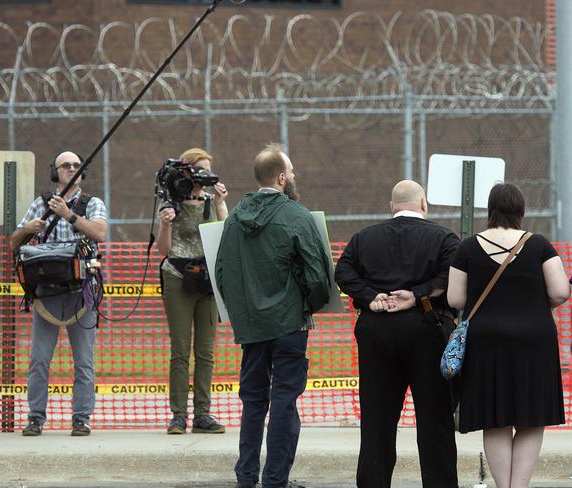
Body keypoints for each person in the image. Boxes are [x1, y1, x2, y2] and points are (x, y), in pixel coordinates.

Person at [216, 143, 331, 488]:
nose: (294, 177)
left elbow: (222, 272)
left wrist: (243, 313)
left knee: (253, 402)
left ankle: (246, 477)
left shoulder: (235, 217)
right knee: (284, 400)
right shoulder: (296, 215)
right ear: (281, 178)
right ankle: (276, 480)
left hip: (252, 329)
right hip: (289, 324)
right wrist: (310, 303)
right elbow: (317, 274)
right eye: (291, 172)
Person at [334, 180, 459, 488]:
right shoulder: (444, 239)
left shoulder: (363, 238)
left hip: (376, 329)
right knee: (435, 421)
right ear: (424, 205)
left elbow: (343, 272)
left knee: (376, 421)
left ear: (392, 208)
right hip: (427, 327)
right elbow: (451, 276)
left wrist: (370, 296)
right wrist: (417, 294)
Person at [447, 182, 569, 488]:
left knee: (495, 417)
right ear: (521, 210)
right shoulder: (540, 245)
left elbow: (455, 300)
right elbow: (559, 292)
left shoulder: (468, 247)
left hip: (486, 342)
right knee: (531, 416)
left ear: (490, 210)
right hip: (534, 340)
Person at [10, 151, 107, 437]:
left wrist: (69, 215)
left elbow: (100, 234)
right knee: (39, 358)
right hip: (46, 293)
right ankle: (36, 417)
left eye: (77, 165)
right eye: (66, 165)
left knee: (84, 360)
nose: (72, 169)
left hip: (81, 293)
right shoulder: (40, 204)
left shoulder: (92, 204)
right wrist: (28, 228)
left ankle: (81, 417)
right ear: (55, 171)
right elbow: (14, 243)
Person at [156, 147, 229, 435]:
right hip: (177, 275)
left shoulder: (210, 202)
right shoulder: (171, 203)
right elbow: (164, 250)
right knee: (180, 349)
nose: (204, 176)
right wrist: (165, 224)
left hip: (206, 279)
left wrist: (222, 204)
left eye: (208, 170)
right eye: (199, 170)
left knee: (206, 350)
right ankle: (179, 414)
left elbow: (226, 238)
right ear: (186, 171)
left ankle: (202, 413)